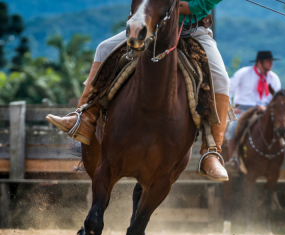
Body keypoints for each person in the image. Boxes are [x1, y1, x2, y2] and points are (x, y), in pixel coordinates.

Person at [46, 0, 230, 182]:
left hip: (194, 32)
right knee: (103, 48)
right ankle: (84, 117)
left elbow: (198, 6)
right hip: (153, 24)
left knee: (221, 79)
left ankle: (211, 152)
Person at [226, 51, 285, 169]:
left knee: (282, 126)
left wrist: (269, 109)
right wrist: (230, 109)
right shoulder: (243, 73)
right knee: (232, 127)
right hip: (244, 108)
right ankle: (233, 159)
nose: (271, 64)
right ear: (260, 62)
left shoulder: (273, 78)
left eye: (271, 61)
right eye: (268, 61)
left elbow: (277, 98)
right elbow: (227, 89)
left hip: (266, 109)